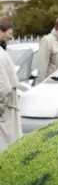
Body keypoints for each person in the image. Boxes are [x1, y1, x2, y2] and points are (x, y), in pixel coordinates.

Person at [0, 19, 22, 152]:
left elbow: (3, 88)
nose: (11, 37)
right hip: (7, 106)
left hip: (5, 108)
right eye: (9, 33)